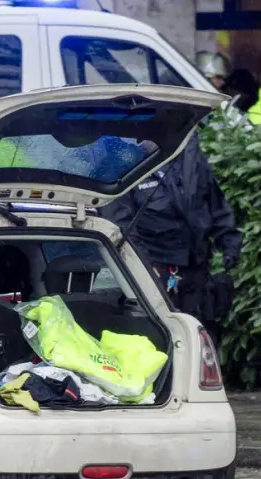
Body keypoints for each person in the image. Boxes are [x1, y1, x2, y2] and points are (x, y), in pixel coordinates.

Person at [101, 135, 242, 341]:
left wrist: (230, 248)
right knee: (163, 341)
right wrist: (145, 270)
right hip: (155, 276)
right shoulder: (120, 163)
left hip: (198, 272)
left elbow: (213, 202)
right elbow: (121, 229)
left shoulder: (188, 153)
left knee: (200, 343)